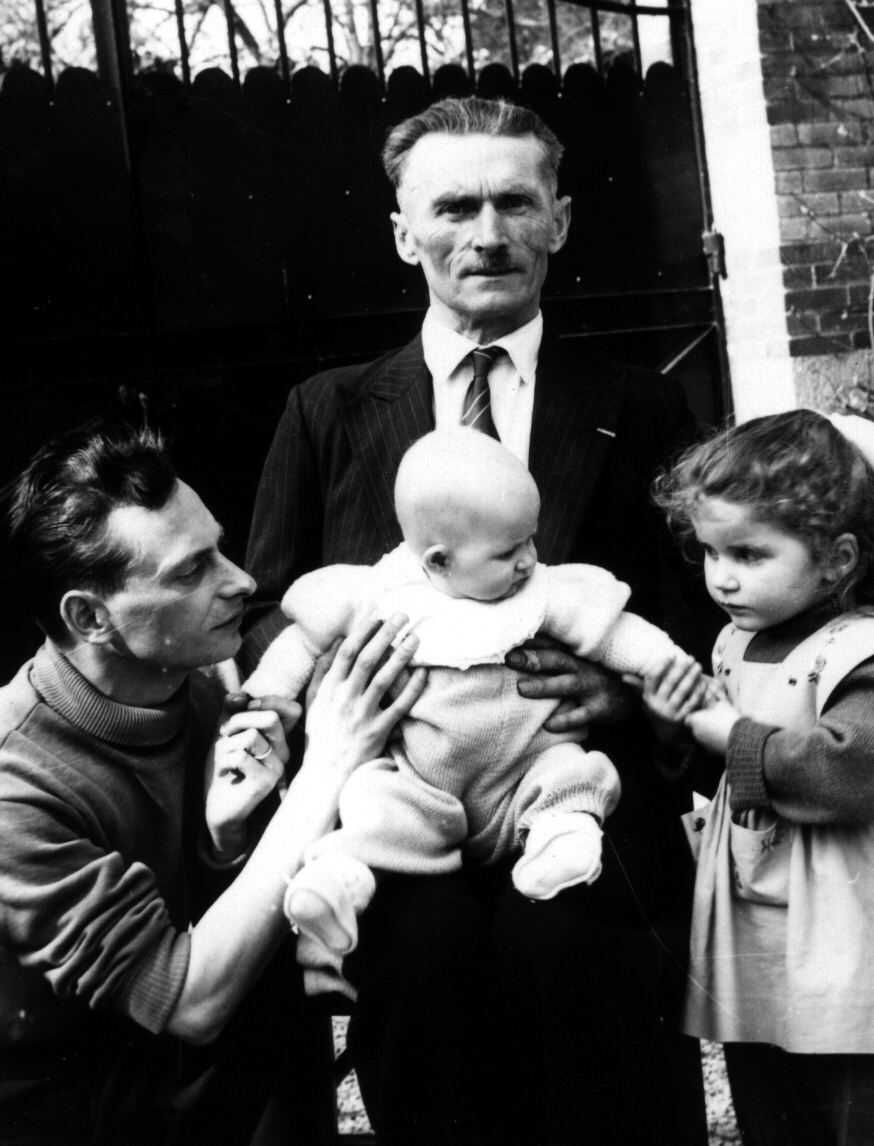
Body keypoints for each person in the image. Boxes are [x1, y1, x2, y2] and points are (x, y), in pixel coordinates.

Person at [244, 95, 708, 1146]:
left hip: (577, 790)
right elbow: (266, 609)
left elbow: (693, 612)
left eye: (515, 202)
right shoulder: (328, 409)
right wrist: (342, 689)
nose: (487, 234)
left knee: (581, 971)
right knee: (423, 969)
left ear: (560, 220)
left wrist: (622, 691)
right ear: (403, 232)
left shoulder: (640, 405)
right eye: (454, 207)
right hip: (403, 794)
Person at [0, 423, 425, 1145]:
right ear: (90, 617)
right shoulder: (16, 786)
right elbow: (191, 1001)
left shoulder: (197, 680)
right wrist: (328, 764)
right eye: (192, 570)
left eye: (220, 549)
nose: (242, 581)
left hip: (169, 1068)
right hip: (61, 1106)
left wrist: (221, 843)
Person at [246, 431, 702, 982]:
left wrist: (670, 669)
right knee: (374, 798)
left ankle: (560, 844)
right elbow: (299, 641)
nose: (529, 560)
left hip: (526, 771)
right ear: (439, 561)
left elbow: (618, 632)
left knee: (571, 774)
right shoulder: (379, 592)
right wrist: (264, 696)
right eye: (509, 552)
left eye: (531, 540)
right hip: (424, 783)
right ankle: (340, 879)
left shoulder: (542, 591)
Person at [647, 410, 874, 1145]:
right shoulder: (734, 642)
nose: (721, 576)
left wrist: (729, 732)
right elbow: (727, 774)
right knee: (774, 1109)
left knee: (869, 1115)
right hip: (765, 935)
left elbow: (845, 775)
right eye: (709, 551)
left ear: (837, 559)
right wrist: (679, 725)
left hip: (856, 943)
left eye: (749, 553)